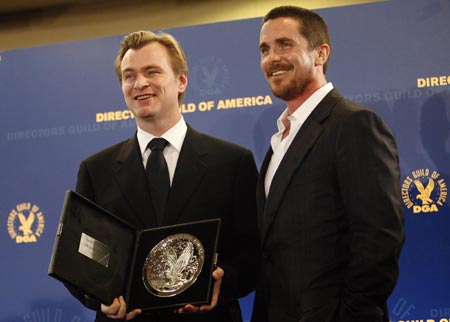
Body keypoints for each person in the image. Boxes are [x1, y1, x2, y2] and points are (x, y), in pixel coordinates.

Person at [66, 30, 259, 322]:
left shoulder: (233, 162)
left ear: (181, 81)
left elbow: (254, 252)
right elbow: (81, 261)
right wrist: (100, 299)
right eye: (129, 76)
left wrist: (223, 283)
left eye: (152, 72)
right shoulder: (96, 170)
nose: (140, 83)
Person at [251, 6, 405, 322]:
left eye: (284, 45)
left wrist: (347, 313)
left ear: (320, 54)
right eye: (264, 49)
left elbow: (379, 237)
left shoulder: (354, 124)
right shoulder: (280, 138)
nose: (271, 58)